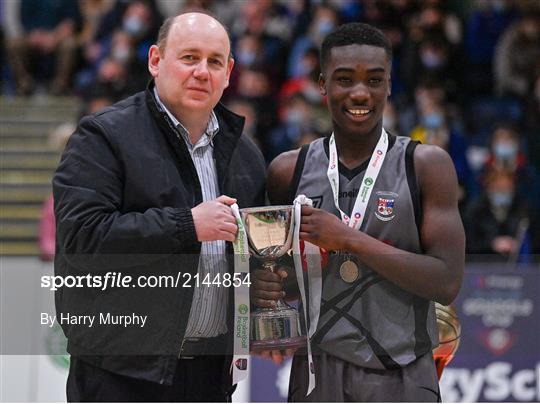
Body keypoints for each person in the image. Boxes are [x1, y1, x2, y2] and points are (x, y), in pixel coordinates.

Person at [53, 12, 266, 402]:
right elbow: (83, 241)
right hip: (119, 374)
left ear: (229, 72)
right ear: (155, 60)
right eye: (189, 58)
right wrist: (187, 225)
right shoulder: (103, 136)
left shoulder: (245, 155)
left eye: (214, 61)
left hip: (210, 376)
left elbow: (251, 262)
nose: (202, 71)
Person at [251, 23, 464, 402]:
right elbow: (273, 277)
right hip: (315, 373)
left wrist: (348, 239)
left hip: (403, 373)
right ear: (322, 85)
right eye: (345, 79)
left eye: (374, 80)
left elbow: (446, 281)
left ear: (389, 85)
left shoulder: (426, 165)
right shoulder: (287, 170)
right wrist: (265, 294)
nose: (360, 93)